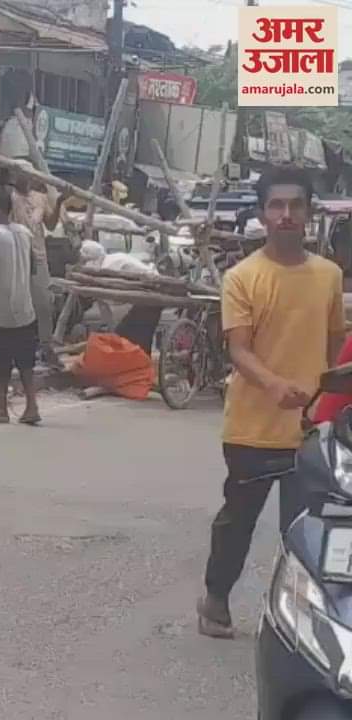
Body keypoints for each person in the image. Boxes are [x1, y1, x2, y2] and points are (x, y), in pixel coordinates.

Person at [197, 165, 345, 639]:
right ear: (262, 214)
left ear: (309, 213)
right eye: (276, 205)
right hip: (252, 428)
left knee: (304, 531)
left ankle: (301, 619)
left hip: (311, 430)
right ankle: (216, 598)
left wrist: (329, 397)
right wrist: (275, 385)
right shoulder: (243, 277)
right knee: (237, 521)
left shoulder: (328, 276)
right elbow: (239, 349)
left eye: (296, 205)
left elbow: (334, 343)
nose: (286, 214)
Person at [0, 186, 40, 425]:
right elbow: (33, 268)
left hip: (1, 312)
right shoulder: (25, 233)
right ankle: (31, 405)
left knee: (1, 366)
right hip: (25, 309)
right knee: (25, 363)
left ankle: (1, 408)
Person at [6, 159, 69, 368]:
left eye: (27, 175)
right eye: (19, 174)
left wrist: (58, 203)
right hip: (17, 257)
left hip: (38, 257)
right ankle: (13, 350)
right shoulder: (10, 197)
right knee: (16, 304)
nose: (23, 178)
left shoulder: (40, 198)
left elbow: (50, 224)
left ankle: (46, 347)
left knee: (43, 304)